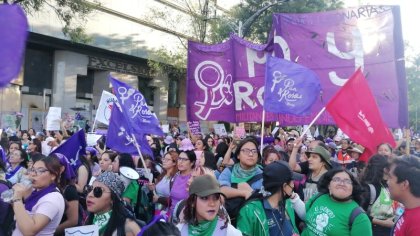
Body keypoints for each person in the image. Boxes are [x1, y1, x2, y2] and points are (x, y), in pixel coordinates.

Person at [237, 161, 304, 236]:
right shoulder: (250, 211)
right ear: (284, 186)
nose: (293, 185)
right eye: (292, 182)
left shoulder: (287, 204)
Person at [302, 168, 372, 236]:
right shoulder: (319, 197)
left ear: (352, 188)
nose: (341, 183)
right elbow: (303, 214)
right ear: (329, 185)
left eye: (347, 181)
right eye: (337, 179)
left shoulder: (360, 218)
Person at [11, 156, 65, 235]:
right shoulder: (35, 191)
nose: (33, 174)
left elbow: (29, 231)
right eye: (33, 170)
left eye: (40, 170)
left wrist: (17, 199)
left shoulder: (53, 198)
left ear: (53, 176)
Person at [177, 175, 242, 235]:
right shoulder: (179, 230)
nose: (212, 204)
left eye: (216, 198)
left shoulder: (230, 233)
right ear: (192, 202)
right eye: (205, 198)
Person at [85, 171, 141, 235]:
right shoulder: (88, 219)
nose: (90, 195)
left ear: (112, 199)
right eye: (89, 189)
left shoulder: (128, 226)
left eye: (98, 191)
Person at [359, 154, 394, 235]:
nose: (390, 172)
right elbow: (360, 212)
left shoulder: (385, 185)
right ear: (382, 170)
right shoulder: (367, 188)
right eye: (388, 169)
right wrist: (382, 223)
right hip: (372, 229)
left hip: (387, 229)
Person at [388, 156, 420, 235]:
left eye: (390, 177)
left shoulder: (417, 223)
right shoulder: (409, 209)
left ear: (404, 184)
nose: (387, 182)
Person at [53, 153, 80, 235]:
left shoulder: (69, 190)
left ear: (62, 169)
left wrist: (50, 232)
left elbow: (73, 220)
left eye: (53, 166)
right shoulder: (46, 186)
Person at [147, 151, 178, 216]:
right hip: (157, 210)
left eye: (168, 159)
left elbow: (173, 200)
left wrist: (159, 199)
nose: (164, 161)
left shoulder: (175, 178)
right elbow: (155, 195)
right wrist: (152, 189)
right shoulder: (162, 175)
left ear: (174, 162)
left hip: (167, 213)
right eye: (164, 159)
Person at [169, 150, 196, 215]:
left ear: (192, 162)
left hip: (185, 217)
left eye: (184, 159)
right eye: (179, 159)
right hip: (172, 215)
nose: (180, 162)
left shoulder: (194, 178)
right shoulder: (176, 176)